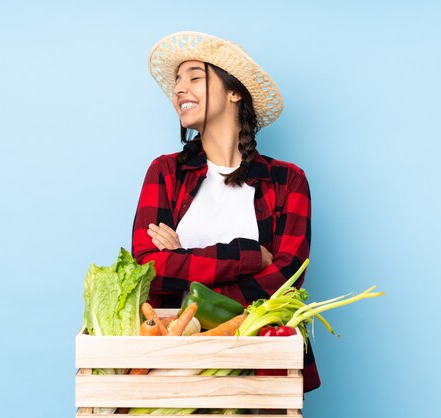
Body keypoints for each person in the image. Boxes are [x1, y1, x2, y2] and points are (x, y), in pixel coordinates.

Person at [131, 31, 320, 392]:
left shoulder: (287, 181)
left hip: (260, 366)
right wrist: (250, 256)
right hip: (172, 366)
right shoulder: (166, 173)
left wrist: (182, 262)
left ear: (234, 91)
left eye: (194, 77)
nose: (179, 89)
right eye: (177, 81)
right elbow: (148, 270)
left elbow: (287, 278)